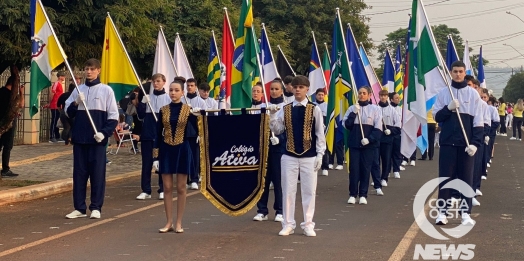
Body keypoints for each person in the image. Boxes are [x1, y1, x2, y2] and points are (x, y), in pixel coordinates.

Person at [267, 75, 325, 237]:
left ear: (307, 89)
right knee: (288, 190)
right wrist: (272, 117)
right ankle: (288, 223)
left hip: (309, 155)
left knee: (309, 191)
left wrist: (320, 154)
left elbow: (320, 133)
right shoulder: (285, 109)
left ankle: (308, 224)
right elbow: (278, 129)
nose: (298, 89)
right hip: (289, 155)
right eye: (296, 87)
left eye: (301, 87)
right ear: (291, 89)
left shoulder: (315, 109)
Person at [64, 58, 119, 219]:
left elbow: (114, 116)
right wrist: (75, 103)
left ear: (98, 70)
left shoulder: (106, 90)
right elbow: (67, 112)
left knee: (97, 175)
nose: (89, 71)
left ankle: (96, 207)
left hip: (97, 140)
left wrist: (104, 132)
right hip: (80, 139)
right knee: (79, 175)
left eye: (92, 69)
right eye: (87, 68)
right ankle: (79, 208)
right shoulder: (78, 90)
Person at [432, 61, 483, 226]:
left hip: (466, 145)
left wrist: (475, 143)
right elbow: (436, 117)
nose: (458, 74)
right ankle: (442, 212)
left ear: (464, 73)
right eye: (455, 71)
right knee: (445, 179)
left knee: (466, 179)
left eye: (461, 71)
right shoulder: (444, 93)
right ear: (451, 73)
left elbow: (478, 121)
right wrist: (448, 108)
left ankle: (465, 213)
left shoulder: (473, 94)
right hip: (447, 144)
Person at [154, 79, 200, 233]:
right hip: (166, 149)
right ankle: (168, 222)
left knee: (181, 187)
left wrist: (199, 116)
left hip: (183, 149)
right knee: (167, 187)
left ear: (182, 92)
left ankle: (179, 222)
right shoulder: (163, 110)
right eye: (171, 90)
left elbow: (199, 128)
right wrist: (155, 157)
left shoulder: (188, 110)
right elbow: (157, 134)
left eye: (176, 90)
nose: (173, 93)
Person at [343, 86, 383, 205]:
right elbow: (347, 125)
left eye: (364, 93)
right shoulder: (352, 108)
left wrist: (370, 139)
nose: (361, 95)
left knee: (366, 169)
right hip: (355, 144)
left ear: (369, 95)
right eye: (360, 93)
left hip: (368, 145)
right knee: (354, 169)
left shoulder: (375, 109)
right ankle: (352, 194)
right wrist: (353, 113)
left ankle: (363, 194)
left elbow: (378, 128)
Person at [253, 79, 286, 223]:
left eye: (276, 89)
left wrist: (281, 139)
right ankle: (262, 210)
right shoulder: (263, 105)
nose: (273, 91)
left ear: (282, 91)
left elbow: (288, 128)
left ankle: (280, 210)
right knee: (263, 179)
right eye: (271, 89)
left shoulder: (286, 107)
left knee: (278, 180)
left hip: (278, 147)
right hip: (263, 145)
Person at [136, 74, 171, 200]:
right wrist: (142, 104)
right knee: (146, 164)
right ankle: (146, 190)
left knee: (162, 163)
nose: (155, 84)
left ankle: (162, 189)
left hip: (161, 136)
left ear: (163, 82)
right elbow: (140, 117)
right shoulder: (147, 98)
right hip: (147, 135)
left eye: (158, 81)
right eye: (154, 82)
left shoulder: (168, 99)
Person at [181, 78, 207, 190]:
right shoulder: (182, 99)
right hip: (183, 132)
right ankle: (185, 180)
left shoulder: (201, 102)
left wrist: (198, 113)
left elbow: (205, 118)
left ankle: (194, 179)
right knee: (184, 157)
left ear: (196, 87)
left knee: (195, 157)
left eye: (192, 85)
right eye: (188, 85)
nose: (190, 87)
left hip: (194, 133)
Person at [377, 90, 401, 192]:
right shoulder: (375, 108)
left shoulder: (392, 110)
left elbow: (398, 125)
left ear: (387, 97)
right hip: (377, 137)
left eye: (385, 96)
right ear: (379, 96)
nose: (383, 97)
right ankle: (377, 178)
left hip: (387, 138)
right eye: (381, 95)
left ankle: (384, 178)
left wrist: (390, 131)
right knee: (375, 160)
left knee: (386, 159)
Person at [0, 75, 24, 178]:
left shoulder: (0, 91)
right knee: (7, 146)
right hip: (8, 124)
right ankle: (5, 169)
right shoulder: (12, 95)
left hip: (1, 123)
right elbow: (21, 105)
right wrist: (21, 92)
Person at [313, 89, 329, 176]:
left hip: (324, 129)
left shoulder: (327, 106)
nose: (320, 96)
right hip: (313, 128)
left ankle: (325, 167)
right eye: (319, 94)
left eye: (322, 95)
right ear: (316, 95)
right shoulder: (312, 105)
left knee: (323, 147)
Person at [57, 79, 77, 145]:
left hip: (63, 112)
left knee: (66, 127)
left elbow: (58, 105)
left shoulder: (63, 95)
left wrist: (61, 111)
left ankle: (65, 139)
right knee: (74, 126)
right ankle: (70, 138)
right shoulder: (75, 95)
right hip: (73, 112)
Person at [388, 92, 404, 173]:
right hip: (388, 134)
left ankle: (396, 169)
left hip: (397, 133)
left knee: (397, 152)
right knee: (388, 153)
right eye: (396, 98)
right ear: (391, 99)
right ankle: (387, 171)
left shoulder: (401, 109)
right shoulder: (388, 109)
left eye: (399, 98)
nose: (398, 99)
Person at [49, 71, 66, 143]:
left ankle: (57, 135)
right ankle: (52, 136)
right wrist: (50, 102)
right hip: (55, 104)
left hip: (58, 105)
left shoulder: (60, 84)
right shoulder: (56, 83)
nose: (64, 77)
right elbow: (52, 93)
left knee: (57, 121)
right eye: (63, 76)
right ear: (60, 77)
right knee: (54, 120)